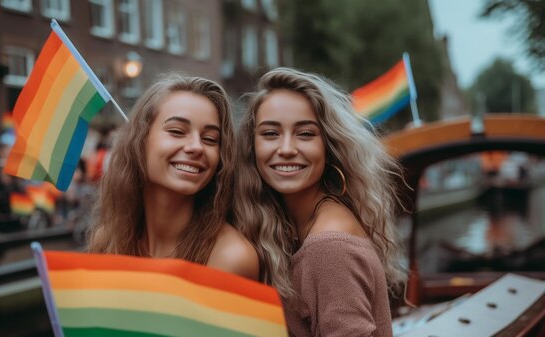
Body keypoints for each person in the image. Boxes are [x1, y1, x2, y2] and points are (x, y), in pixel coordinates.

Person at [234, 67, 407, 336]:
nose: (287, 149)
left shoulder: (328, 247)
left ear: (328, 145)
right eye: (270, 134)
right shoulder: (297, 224)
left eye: (305, 134)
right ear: (251, 146)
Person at [87, 74, 259, 280]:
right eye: (177, 131)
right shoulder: (107, 240)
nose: (196, 146)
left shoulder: (230, 259)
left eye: (210, 139)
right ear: (140, 141)